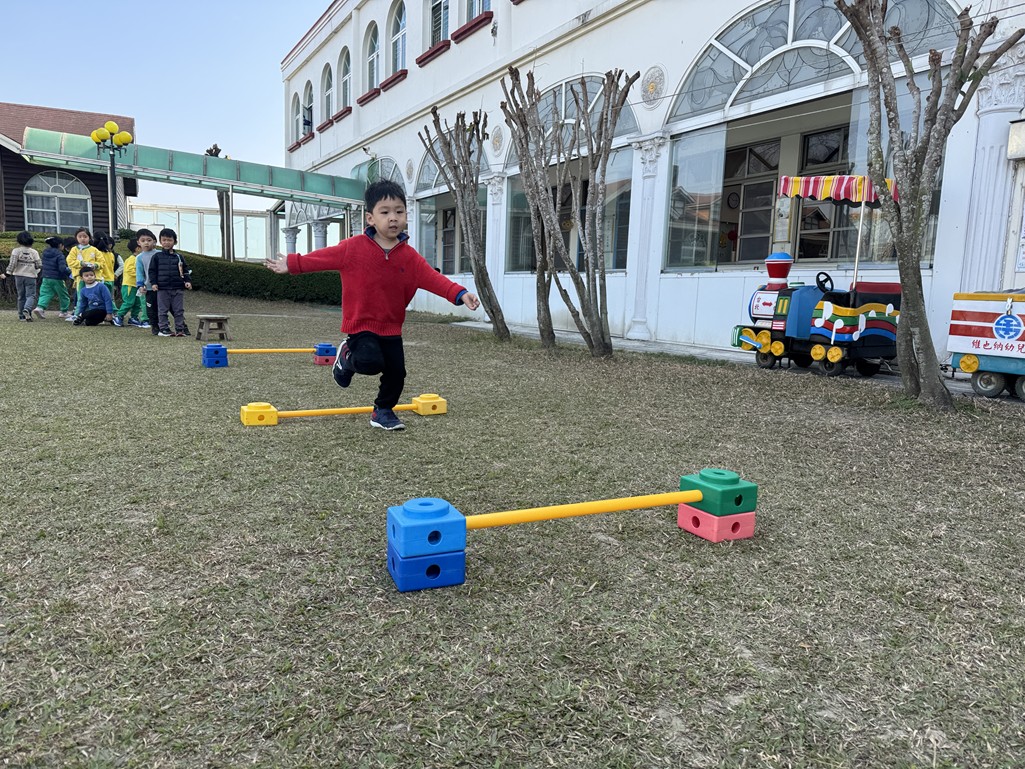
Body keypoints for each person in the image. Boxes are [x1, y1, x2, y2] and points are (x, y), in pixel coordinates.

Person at [263, 179, 480, 431]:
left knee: (397, 373)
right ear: (370, 218)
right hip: (361, 324)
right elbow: (322, 258)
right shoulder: (353, 247)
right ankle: (347, 356)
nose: (393, 218)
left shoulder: (409, 257)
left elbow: (433, 279)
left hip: (391, 327)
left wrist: (460, 294)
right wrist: (293, 263)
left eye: (399, 211)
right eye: (385, 212)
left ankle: (383, 411)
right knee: (369, 362)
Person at [149, 228, 192, 337]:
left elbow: (185, 270)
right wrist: (153, 283)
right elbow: (152, 271)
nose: (166, 242)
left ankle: (180, 329)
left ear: (175, 242)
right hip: (162, 288)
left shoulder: (179, 257)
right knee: (162, 310)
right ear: (160, 241)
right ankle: (164, 329)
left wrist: (187, 281)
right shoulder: (157, 256)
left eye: (169, 240)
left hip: (178, 287)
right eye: (164, 240)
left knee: (179, 310)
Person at [2, 231, 42, 321]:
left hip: (18, 276)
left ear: (19, 240)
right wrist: (36, 270)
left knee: (21, 296)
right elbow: (39, 265)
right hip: (31, 276)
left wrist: (7, 274)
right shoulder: (34, 252)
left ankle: (21, 316)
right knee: (31, 295)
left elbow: (12, 264)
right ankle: (27, 309)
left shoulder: (16, 251)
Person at [32, 236, 73, 319]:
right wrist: (70, 272)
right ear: (60, 245)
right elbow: (62, 268)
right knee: (63, 295)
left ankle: (40, 307)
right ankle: (64, 311)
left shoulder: (45, 253)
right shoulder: (60, 255)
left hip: (46, 276)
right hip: (57, 278)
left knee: (45, 293)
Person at [112, 238, 150, 328]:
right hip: (129, 285)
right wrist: (142, 275)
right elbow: (130, 271)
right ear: (138, 248)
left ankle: (134, 318)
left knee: (137, 303)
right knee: (129, 302)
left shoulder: (139, 259)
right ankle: (119, 316)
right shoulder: (132, 259)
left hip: (137, 286)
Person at [132, 228, 161, 335]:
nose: (146, 243)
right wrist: (140, 285)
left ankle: (164, 324)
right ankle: (154, 326)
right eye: (143, 240)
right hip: (149, 287)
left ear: (154, 242)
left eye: (149, 240)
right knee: (151, 308)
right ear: (138, 243)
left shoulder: (160, 254)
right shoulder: (139, 258)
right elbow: (139, 272)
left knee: (162, 307)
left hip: (162, 286)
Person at [91, 231, 119, 298]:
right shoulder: (111, 254)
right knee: (110, 300)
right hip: (110, 279)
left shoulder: (95, 254)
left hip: (100, 279)